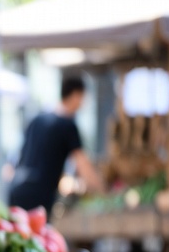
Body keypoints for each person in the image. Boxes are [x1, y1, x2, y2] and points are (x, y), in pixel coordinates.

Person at [9, 76, 104, 214]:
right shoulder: (68, 125)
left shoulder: (37, 119)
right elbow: (82, 164)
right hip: (38, 197)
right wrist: (101, 190)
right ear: (76, 95)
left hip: (16, 190)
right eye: (83, 98)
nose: (83, 103)